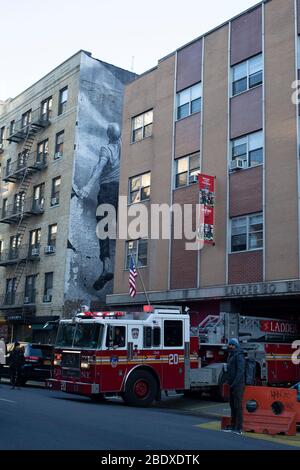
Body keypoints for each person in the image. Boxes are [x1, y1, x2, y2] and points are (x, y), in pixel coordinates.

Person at [78, 123, 121, 291]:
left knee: (103, 228)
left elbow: (98, 169)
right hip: (124, 189)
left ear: (108, 135)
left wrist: (87, 187)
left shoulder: (106, 149)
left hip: (107, 190)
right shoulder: (126, 144)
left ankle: (107, 267)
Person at [224, 338, 245, 435]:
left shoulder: (239, 356)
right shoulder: (231, 355)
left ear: (236, 345)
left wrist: (234, 383)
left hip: (238, 385)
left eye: (232, 345)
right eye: (229, 344)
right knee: (232, 405)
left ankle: (239, 427)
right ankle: (232, 425)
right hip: (232, 384)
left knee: (238, 406)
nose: (230, 346)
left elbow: (240, 371)